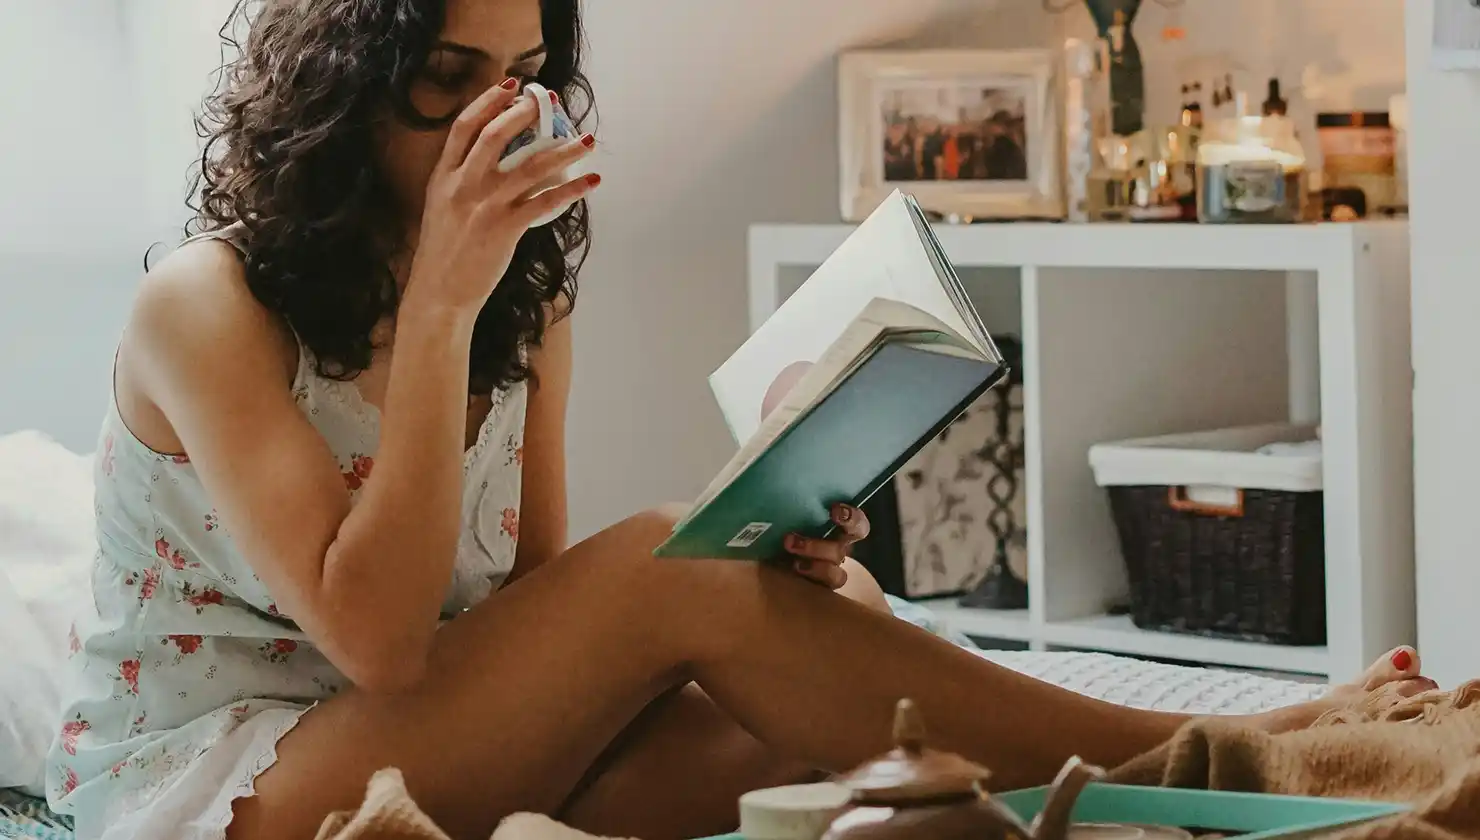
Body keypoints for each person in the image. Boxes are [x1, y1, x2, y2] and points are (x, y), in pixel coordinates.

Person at [44, 1, 1435, 839]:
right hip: (233, 784)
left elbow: (527, 616)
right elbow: (385, 641)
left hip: (420, 730)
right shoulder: (206, 307)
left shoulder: (524, 289)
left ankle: (1145, 792)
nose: (502, 117)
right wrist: (438, 320)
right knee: (677, 567)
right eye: (447, 77)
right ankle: (1227, 755)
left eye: (524, 70)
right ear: (343, 90)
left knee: (846, 702)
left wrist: (765, 575)